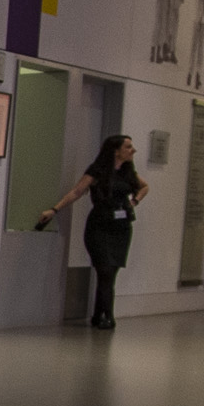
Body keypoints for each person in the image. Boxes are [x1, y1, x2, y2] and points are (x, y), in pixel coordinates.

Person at [40, 135, 148, 328]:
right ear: (116, 151)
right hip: (100, 224)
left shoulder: (128, 171)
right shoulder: (98, 170)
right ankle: (108, 315)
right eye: (128, 147)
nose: (133, 150)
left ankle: (100, 314)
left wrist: (134, 201)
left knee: (110, 272)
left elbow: (145, 187)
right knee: (104, 269)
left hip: (121, 228)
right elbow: (77, 191)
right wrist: (55, 209)